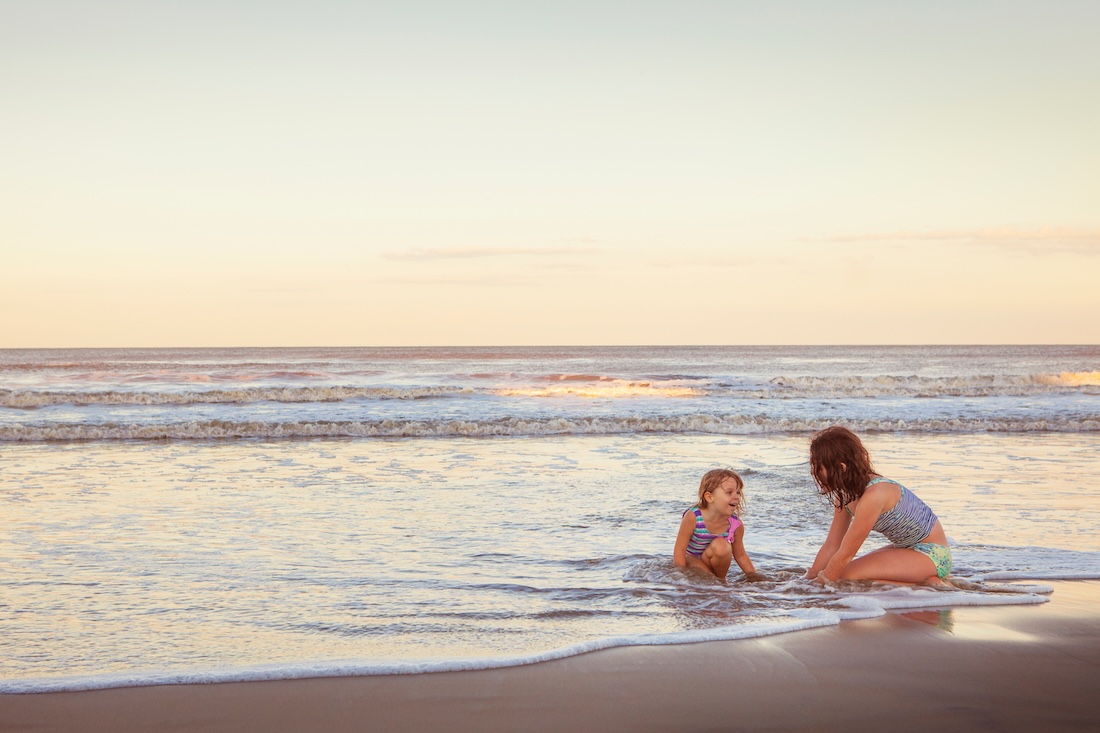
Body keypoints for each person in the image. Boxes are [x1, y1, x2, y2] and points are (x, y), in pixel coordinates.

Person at [804, 426, 952, 585]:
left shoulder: (875, 494)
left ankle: (924, 585)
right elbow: (832, 545)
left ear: (841, 467)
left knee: (841, 576)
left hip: (932, 554)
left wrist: (818, 588)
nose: (813, 472)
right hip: (904, 549)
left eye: (818, 467)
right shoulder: (845, 496)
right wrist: (808, 579)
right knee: (835, 573)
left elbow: (846, 554)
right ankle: (923, 581)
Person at [673, 468, 757, 580]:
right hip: (692, 560)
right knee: (704, 573)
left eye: (738, 492)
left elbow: (740, 555)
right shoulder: (693, 517)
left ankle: (720, 581)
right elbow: (680, 551)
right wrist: (679, 578)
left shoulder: (735, 525)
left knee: (722, 546)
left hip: (712, 561)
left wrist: (755, 578)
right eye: (729, 492)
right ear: (709, 497)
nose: (736, 496)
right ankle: (716, 584)